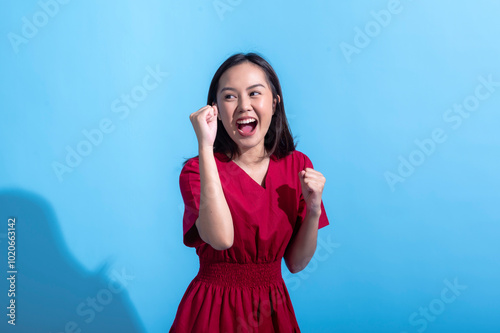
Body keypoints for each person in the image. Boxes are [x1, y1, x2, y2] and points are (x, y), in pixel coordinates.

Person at [169, 52, 330, 332]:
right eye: (230, 97)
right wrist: (205, 147)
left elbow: (296, 263)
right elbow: (220, 239)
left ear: (275, 102)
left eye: (255, 93)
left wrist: (314, 209)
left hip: (272, 310)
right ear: (215, 109)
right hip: (213, 310)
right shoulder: (197, 170)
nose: (244, 106)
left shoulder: (298, 166)